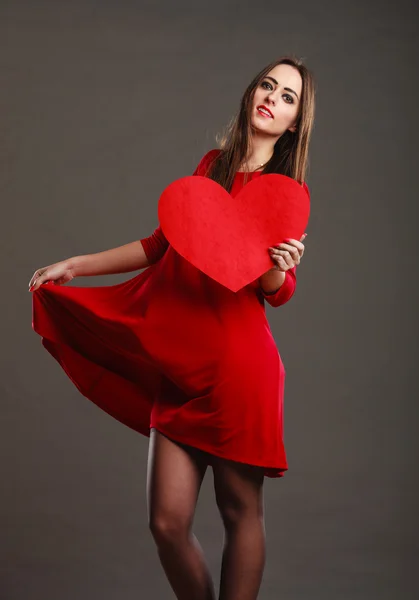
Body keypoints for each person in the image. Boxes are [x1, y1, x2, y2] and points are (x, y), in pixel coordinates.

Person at [28, 55, 315, 600]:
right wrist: (77, 264)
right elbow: (162, 244)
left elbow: (278, 291)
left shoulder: (286, 191)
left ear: (294, 122)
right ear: (252, 91)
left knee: (240, 513)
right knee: (167, 523)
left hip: (238, 371)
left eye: (287, 97)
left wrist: (278, 266)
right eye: (267, 85)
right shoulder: (211, 166)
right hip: (181, 368)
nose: (271, 98)